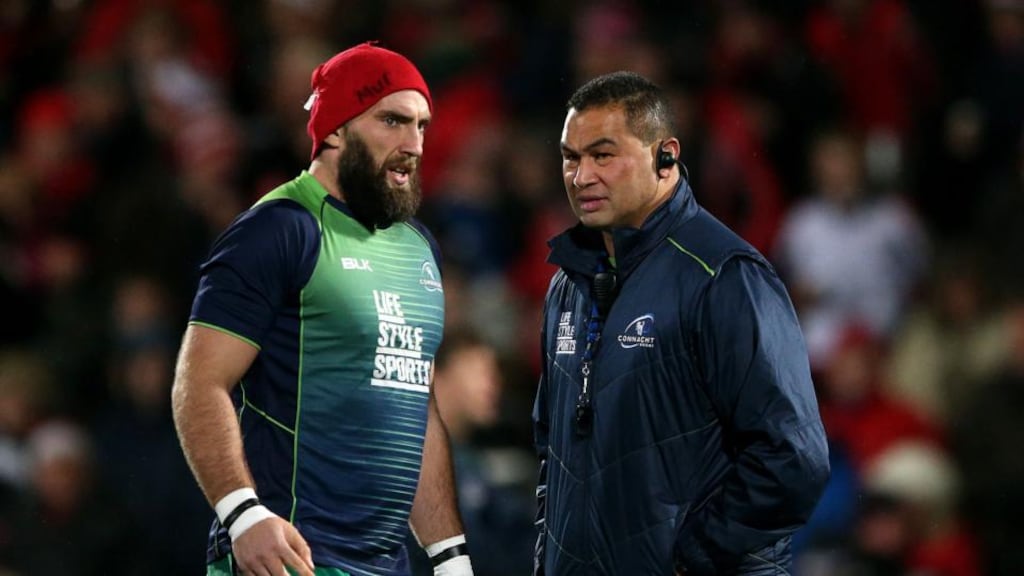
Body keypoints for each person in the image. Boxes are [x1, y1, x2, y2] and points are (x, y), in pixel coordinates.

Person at [171, 42, 474, 576]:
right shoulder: (279, 229)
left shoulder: (418, 247)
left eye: (422, 126)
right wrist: (242, 515)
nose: (414, 145)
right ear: (335, 129)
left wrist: (449, 557)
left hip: (387, 566)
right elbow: (198, 384)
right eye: (392, 121)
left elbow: (416, 410)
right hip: (290, 557)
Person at [533, 71, 830, 575]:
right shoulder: (568, 287)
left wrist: (689, 559)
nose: (581, 177)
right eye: (570, 157)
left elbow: (792, 459)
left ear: (664, 156)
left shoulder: (724, 277)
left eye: (603, 155)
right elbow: (552, 454)